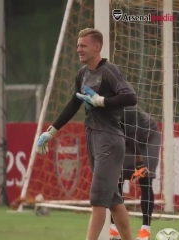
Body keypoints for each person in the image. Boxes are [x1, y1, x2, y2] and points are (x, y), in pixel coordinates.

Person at [36, 28, 137, 240]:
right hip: (93, 138)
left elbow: (130, 96)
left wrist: (102, 101)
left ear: (96, 47)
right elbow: (74, 103)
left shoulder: (109, 71)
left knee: (98, 200)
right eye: (78, 46)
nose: (78, 50)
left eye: (83, 46)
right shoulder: (82, 74)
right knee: (113, 201)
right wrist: (51, 132)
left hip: (109, 140)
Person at [109, 105, 162, 240]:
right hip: (129, 141)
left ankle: (145, 230)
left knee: (145, 179)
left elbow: (132, 139)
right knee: (117, 179)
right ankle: (114, 227)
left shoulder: (127, 109)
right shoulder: (101, 111)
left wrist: (140, 164)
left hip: (148, 137)